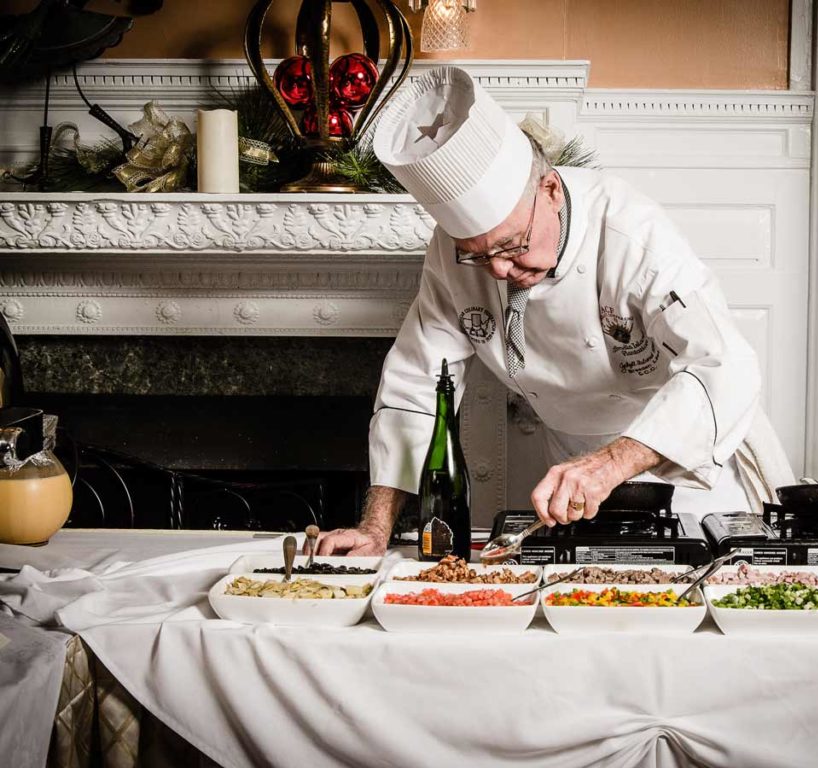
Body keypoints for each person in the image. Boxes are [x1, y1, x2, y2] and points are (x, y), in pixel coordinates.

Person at [314, 66, 793, 556]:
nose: (498, 271)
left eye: (511, 245)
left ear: (551, 191)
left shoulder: (630, 231)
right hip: (572, 465)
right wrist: (375, 527)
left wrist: (610, 464)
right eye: (479, 255)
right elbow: (415, 381)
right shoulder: (454, 252)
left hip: (682, 462)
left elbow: (725, 367)